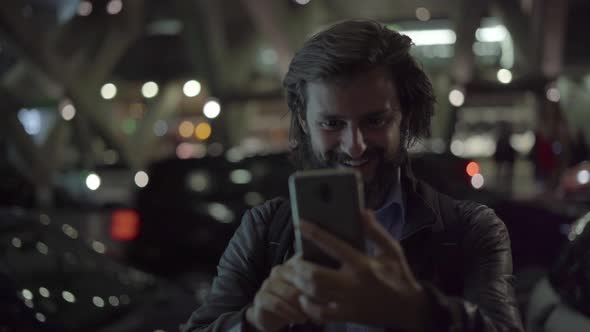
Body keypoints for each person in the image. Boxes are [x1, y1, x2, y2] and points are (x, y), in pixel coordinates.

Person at [182, 19, 523, 331]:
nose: (355, 146)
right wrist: (254, 322)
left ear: (404, 116)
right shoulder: (263, 231)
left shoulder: (471, 231)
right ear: (303, 121)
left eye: (374, 121)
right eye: (332, 123)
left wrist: (416, 310)